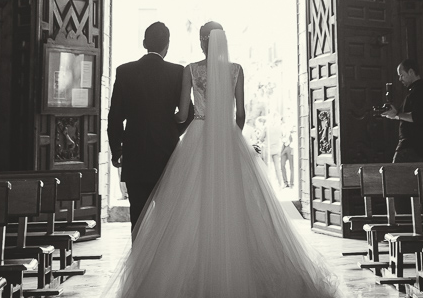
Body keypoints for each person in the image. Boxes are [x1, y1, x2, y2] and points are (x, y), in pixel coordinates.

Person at [100, 21, 344, 298]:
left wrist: (125, 147)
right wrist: (228, 137)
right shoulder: (228, 70)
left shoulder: (181, 70)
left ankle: (146, 272)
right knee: (230, 206)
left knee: (167, 213)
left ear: (203, 40)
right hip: (201, 143)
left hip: (171, 147)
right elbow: (234, 114)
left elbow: (167, 114)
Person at [106, 21, 187, 236]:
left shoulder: (125, 72)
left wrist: (117, 151)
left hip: (135, 155)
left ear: (144, 43)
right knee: (167, 220)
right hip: (167, 155)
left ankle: (139, 269)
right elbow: (187, 113)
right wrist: (172, 132)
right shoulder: (177, 72)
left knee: (138, 220)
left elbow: (115, 117)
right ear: (167, 45)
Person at [381, 58, 423, 162]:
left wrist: (397, 114)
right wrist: (394, 115)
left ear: (411, 72)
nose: (400, 79)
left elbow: (417, 116)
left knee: (396, 176)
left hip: (412, 146)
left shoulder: (421, 91)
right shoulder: (415, 91)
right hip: (412, 146)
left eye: (401, 75)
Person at [276, 123, 295, 188]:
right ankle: (285, 182)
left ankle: (292, 183)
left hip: (290, 147)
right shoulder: (281, 134)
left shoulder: (290, 134)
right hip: (283, 148)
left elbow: (287, 140)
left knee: (291, 166)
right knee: (282, 165)